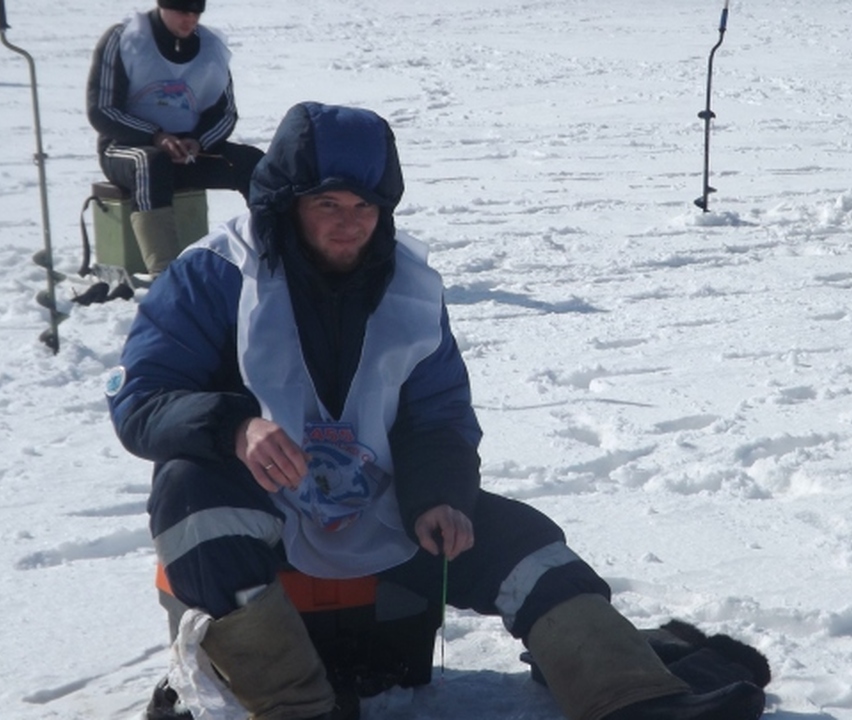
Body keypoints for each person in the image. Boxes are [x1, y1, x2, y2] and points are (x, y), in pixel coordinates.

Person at [105, 101, 767, 720]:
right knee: (191, 499)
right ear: (285, 204)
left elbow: (439, 416)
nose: (349, 221)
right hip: (261, 505)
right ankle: (294, 706)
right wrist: (234, 427)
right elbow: (141, 399)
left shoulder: (409, 286)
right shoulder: (214, 274)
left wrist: (439, 496)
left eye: (364, 204)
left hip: (377, 496)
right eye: (326, 202)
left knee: (524, 542)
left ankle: (635, 695)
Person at [86, 0, 263, 277]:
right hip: (125, 148)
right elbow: (102, 111)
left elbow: (225, 113)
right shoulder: (125, 39)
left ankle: (274, 250)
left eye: (196, 13)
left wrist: (199, 141)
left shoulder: (211, 48)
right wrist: (155, 136)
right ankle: (165, 274)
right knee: (150, 163)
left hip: (188, 149)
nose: (190, 20)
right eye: (182, 12)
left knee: (252, 163)